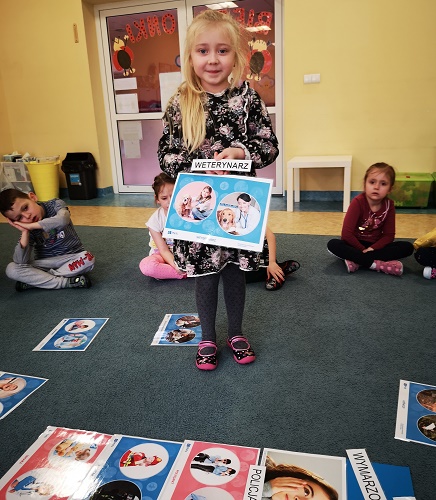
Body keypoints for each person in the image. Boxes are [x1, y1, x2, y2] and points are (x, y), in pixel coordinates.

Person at [158, 10, 279, 370]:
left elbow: (269, 145)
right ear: (190, 56)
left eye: (222, 50)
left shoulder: (248, 98)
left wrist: (241, 151)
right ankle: (208, 336)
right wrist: (195, 165)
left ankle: (236, 333)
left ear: (236, 56)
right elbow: (166, 154)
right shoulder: (180, 101)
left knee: (235, 273)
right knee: (205, 275)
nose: (212, 59)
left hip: (237, 207)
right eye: (203, 51)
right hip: (196, 206)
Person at [327, 162, 414, 276]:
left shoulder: (389, 205)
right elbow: (346, 234)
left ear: (390, 189)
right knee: (333, 244)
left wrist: (372, 248)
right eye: (372, 182)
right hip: (355, 244)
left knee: (407, 247)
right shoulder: (357, 202)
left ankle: (358, 261)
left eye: (383, 184)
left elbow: (388, 235)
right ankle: (376, 264)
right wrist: (361, 249)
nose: (376, 187)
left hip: (376, 247)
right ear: (365, 184)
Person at [0, 189, 94, 291]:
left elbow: (63, 219)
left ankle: (39, 280)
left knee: (88, 258)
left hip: (71, 258)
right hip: (46, 263)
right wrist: (25, 232)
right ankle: (64, 282)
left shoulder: (55, 204)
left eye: (26, 208)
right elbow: (21, 261)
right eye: (19, 218)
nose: (27, 216)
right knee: (11, 268)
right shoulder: (28, 228)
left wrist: (32, 226)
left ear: (32, 197)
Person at [139, 173, 187, 280]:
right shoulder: (154, 221)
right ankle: (185, 273)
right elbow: (163, 250)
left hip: (185, 254)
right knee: (147, 266)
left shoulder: (188, 214)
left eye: (174, 196)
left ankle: (174, 272)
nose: (170, 202)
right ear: (157, 199)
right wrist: (175, 265)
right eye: (164, 198)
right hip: (162, 255)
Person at [262, 456, 338, 500]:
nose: (298, 499)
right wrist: (265, 489)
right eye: (306, 492)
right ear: (298, 476)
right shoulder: (261, 461)